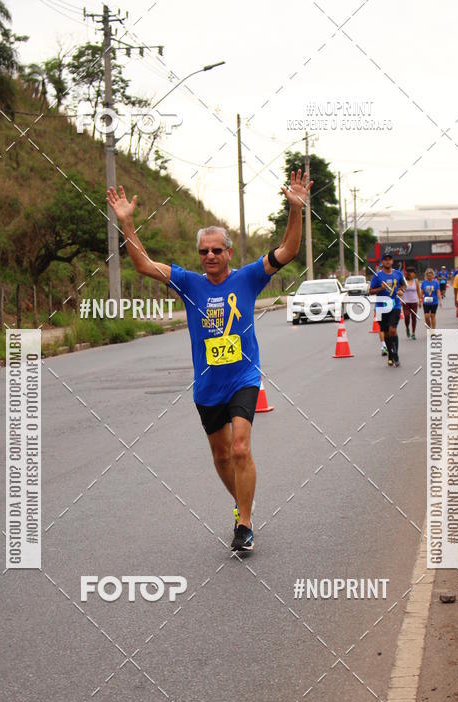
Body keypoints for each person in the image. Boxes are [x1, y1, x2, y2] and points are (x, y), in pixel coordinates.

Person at [106, 171, 312, 553]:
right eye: (204, 251)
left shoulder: (249, 278)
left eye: (217, 250)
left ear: (229, 252)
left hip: (243, 379)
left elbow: (287, 251)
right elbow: (143, 265)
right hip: (207, 387)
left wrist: (295, 210)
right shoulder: (189, 283)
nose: (211, 256)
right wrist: (128, 223)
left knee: (239, 448)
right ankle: (241, 505)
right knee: (220, 456)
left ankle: (245, 525)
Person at [369, 252, 405, 366]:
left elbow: (403, 285)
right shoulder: (377, 276)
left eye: (389, 259)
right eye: (385, 259)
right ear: (382, 262)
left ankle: (396, 355)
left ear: (392, 261)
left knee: (392, 330)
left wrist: (401, 291)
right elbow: (370, 291)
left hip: (395, 305)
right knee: (386, 333)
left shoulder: (398, 274)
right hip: (381, 307)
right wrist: (381, 288)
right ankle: (390, 354)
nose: (388, 261)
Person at [402, 265, 420, 339]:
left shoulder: (416, 281)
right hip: (405, 302)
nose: (413, 274)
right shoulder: (404, 281)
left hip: (414, 302)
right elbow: (401, 291)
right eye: (412, 272)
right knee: (406, 317)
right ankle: (407, 328)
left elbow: (418, 291)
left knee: (414, 317)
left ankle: (413, 333)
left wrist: (420, 300)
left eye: (414, 273)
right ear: (408, 273)